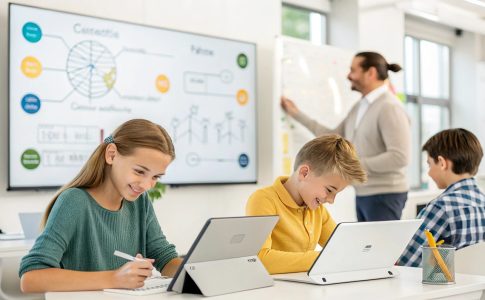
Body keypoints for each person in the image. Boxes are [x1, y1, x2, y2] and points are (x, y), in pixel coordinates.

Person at [19, 119, 182, 293]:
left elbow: (166, 259)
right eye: (140, 171)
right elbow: (31, 278)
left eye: (155, 177)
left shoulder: (140, 202)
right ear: (111, 155)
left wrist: (197, 271)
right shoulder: (74, 201)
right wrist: (115, 278)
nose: (146, 185)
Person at [281, 51, 411, 222]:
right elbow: (333, 136)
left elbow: (399, 157)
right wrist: (297, 114)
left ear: (370, 73)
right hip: (365, 193)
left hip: (384, 194)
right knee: (368, 248)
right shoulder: (360, 106)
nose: (349, 76)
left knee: (381, 248)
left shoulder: (389, 107)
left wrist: (351, 167)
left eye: (353, 70)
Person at [246, 134, 366, 274]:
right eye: (329, 190)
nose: (331, 200)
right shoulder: (264, 200)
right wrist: (322, 258)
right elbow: (260, 259)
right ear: (304, 173)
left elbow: (342, 247)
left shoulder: (317, 210)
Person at [397, 128, 485, 267]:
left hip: (446, 288)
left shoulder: (441, 207)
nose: (429, 172)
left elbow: (406, 263)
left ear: (442, 162)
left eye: (429, 164)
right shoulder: (482, 202)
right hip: (476, 288)